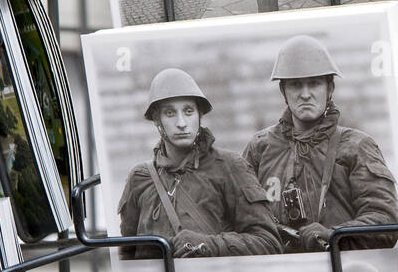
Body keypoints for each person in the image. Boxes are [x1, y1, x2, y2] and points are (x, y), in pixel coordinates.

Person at [244, 35, 398, 253]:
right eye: (296, 85)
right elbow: (240, 216)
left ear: (330, 88)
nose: (305, 94)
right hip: (275, 268)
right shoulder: (259, 147)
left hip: (338, 265)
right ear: (283, 92)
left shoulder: (356, 146)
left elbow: (384, 220)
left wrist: (335, 235)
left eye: (314, 84)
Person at [118, 69, 281, 260]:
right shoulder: (140, 178)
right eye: (170, 113)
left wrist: (208, 244)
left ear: (199, 115)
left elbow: (268, 242)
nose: (181, 123)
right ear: (157, 119)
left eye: (188, 111)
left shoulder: (230, 167)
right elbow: (127, 255)